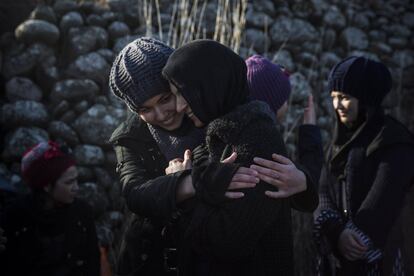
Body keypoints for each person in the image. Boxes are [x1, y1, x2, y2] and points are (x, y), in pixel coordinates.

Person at [108, 37, 260, 276]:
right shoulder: (130, 136)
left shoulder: (211, 112)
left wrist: (302, 181)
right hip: (150, 260)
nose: (161, 114)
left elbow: (261, 143)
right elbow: (135, 193)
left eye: (165, 99)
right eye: (145, 109)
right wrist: (191, 182)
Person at [162, 39, 312, 275]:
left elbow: (227, 240)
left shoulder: (255, 139)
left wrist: (184, 191)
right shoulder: (219, 133)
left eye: (184, 94)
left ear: (211, 85)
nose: (179, 106)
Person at [313, 56, 414, 275]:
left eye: (345, 97)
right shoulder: (338, 144)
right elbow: (323, 192)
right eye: (334, 97)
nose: (337, 105)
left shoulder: (393, 141)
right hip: (337, 260)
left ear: (366, 99)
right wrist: (337, 233)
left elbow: (382, 201)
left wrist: (352, 239)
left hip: (377, 261)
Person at [0, 141, 100, 276]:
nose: (76, 188)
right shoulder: (15, 216)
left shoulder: (82, 213)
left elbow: (92, 263)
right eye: (69, 182)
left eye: (76, 180)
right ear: (47, 186)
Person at [245, 54, 323, 209]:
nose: (287, 104)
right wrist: (310, 130)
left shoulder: (243, 135)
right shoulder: (267, 144)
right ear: (271, 102)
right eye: (284, 99)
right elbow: (304, 196)